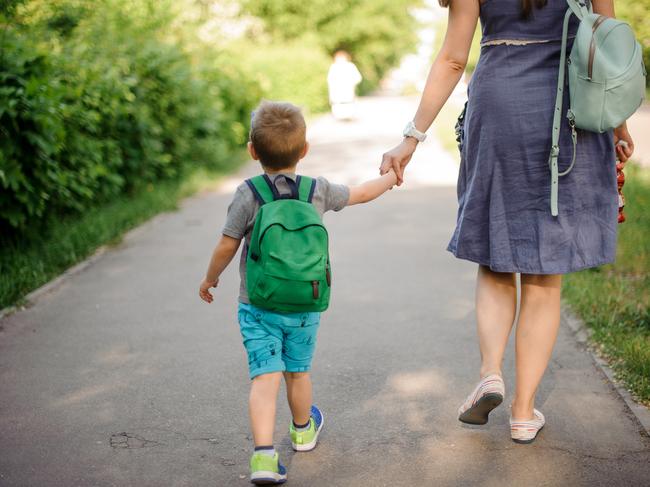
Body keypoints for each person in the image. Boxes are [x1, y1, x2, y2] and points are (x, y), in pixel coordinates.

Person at [380, 0, 635, 444]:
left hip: (498, 104)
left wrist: (411, 138)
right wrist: (618, 125)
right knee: (544, 271)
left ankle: (490, 372)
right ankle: (522, 413)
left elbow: (454, 58)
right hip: (568, 108)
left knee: (497, 256)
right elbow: (607, 46)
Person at [199, 100, 397, 484]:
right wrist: (390, 178)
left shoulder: (248, 192)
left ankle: (263, 458)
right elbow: (360, 193)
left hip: (257, 304)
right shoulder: (316, 190)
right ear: (304, 150)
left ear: (252, 151)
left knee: (264, 378)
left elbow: (227, 244)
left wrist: (210, 279)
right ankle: (303, 430)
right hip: (306, 303)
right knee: (298, 372)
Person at [327, 50, 363, 120]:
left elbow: (358, 78)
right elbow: (330, 80)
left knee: (348, 106)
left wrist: (352, 83)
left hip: (348, 90)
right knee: (338, 107)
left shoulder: (351, 66)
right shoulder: (334, 67)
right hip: (336, 91)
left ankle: (348, 117)